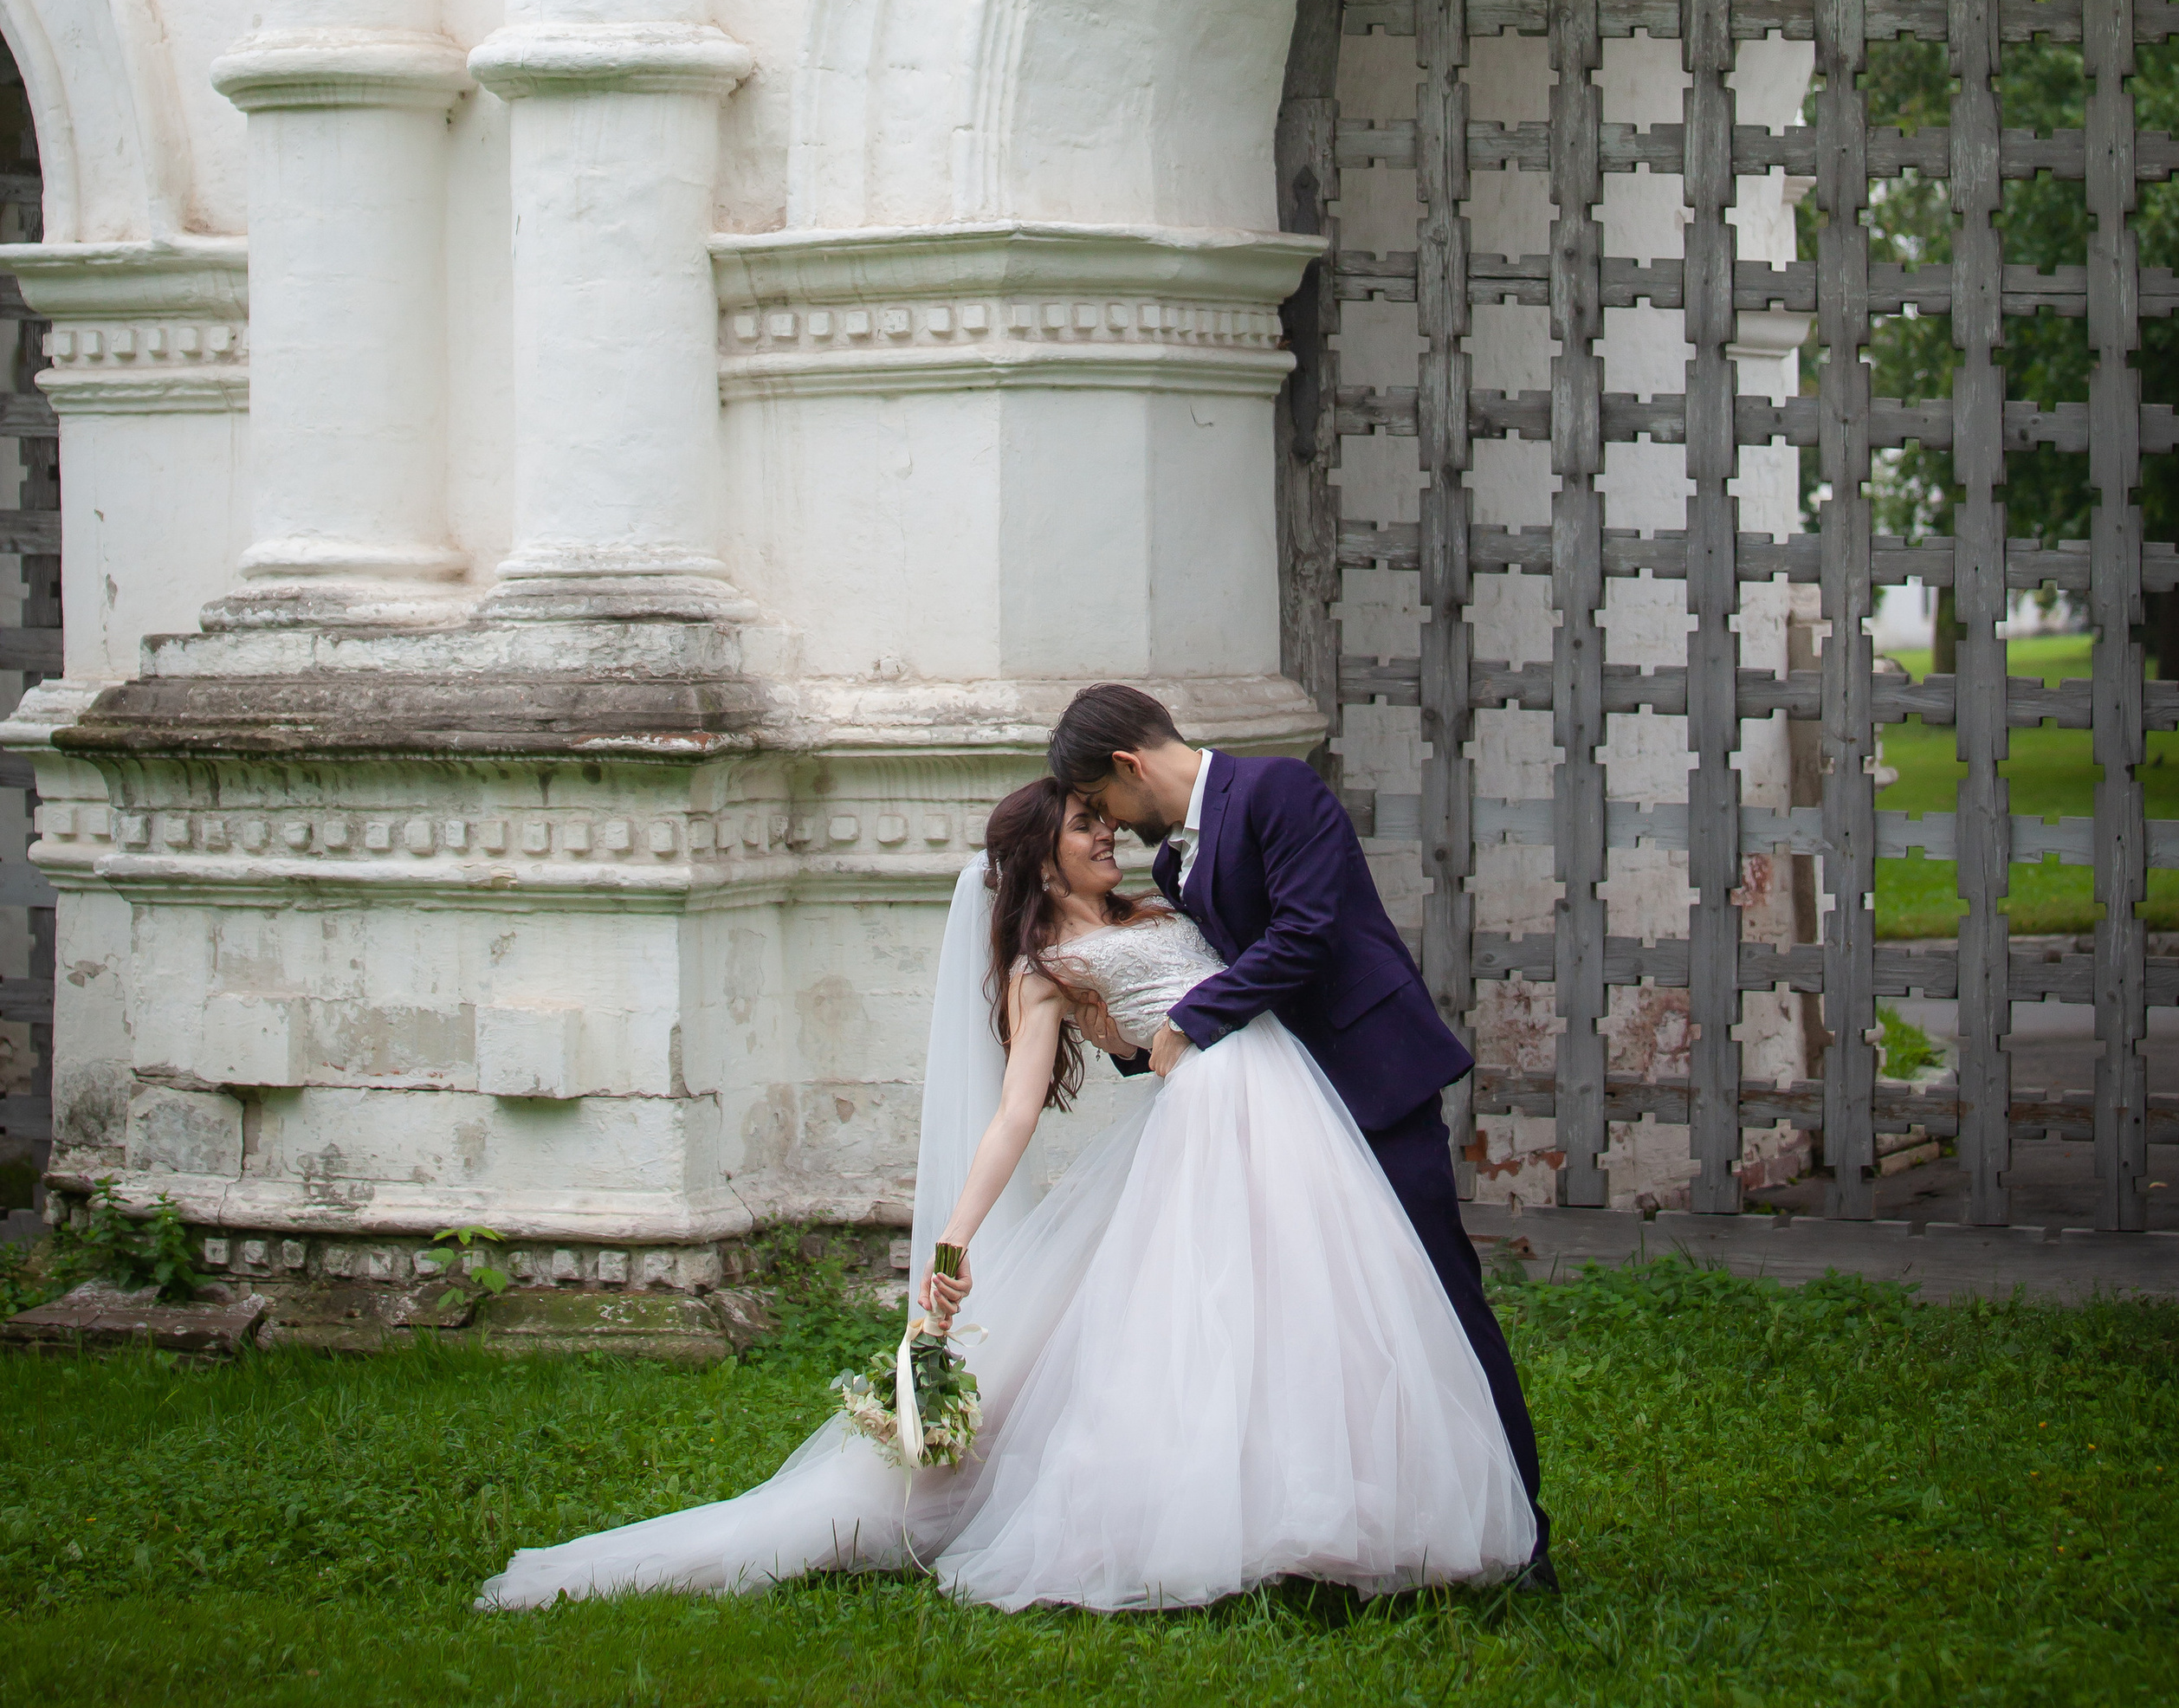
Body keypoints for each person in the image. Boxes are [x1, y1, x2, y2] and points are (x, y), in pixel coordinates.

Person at [478, 773, 1536, 1615]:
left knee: (1313, 1307)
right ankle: (1199, 1525)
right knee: (1200, 1327)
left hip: (1280, 1114)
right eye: (1084, 825)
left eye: (1101, 817)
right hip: (1207, 1127)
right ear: (1039, 851)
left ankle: (1336, 1513)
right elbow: (1017, 1115)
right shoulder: (1046, 964)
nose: (1104, 836)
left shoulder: (1160, 899)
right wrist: (952, 1239)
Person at [1048, 682, 1551, 1579]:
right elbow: (1215, 982)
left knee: (1440, 1296)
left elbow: (1306, 934)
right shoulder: (1174, 869)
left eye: (1106, 804)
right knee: (1341, 1321)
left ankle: (1521, 1529)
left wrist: (1193, 1019)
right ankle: (1374, 1528)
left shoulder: (1277, 791)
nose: (1114, 828)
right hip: (1289, 1112)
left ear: (1129, 765)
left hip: (1372, 1079)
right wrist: (1138, 1044)